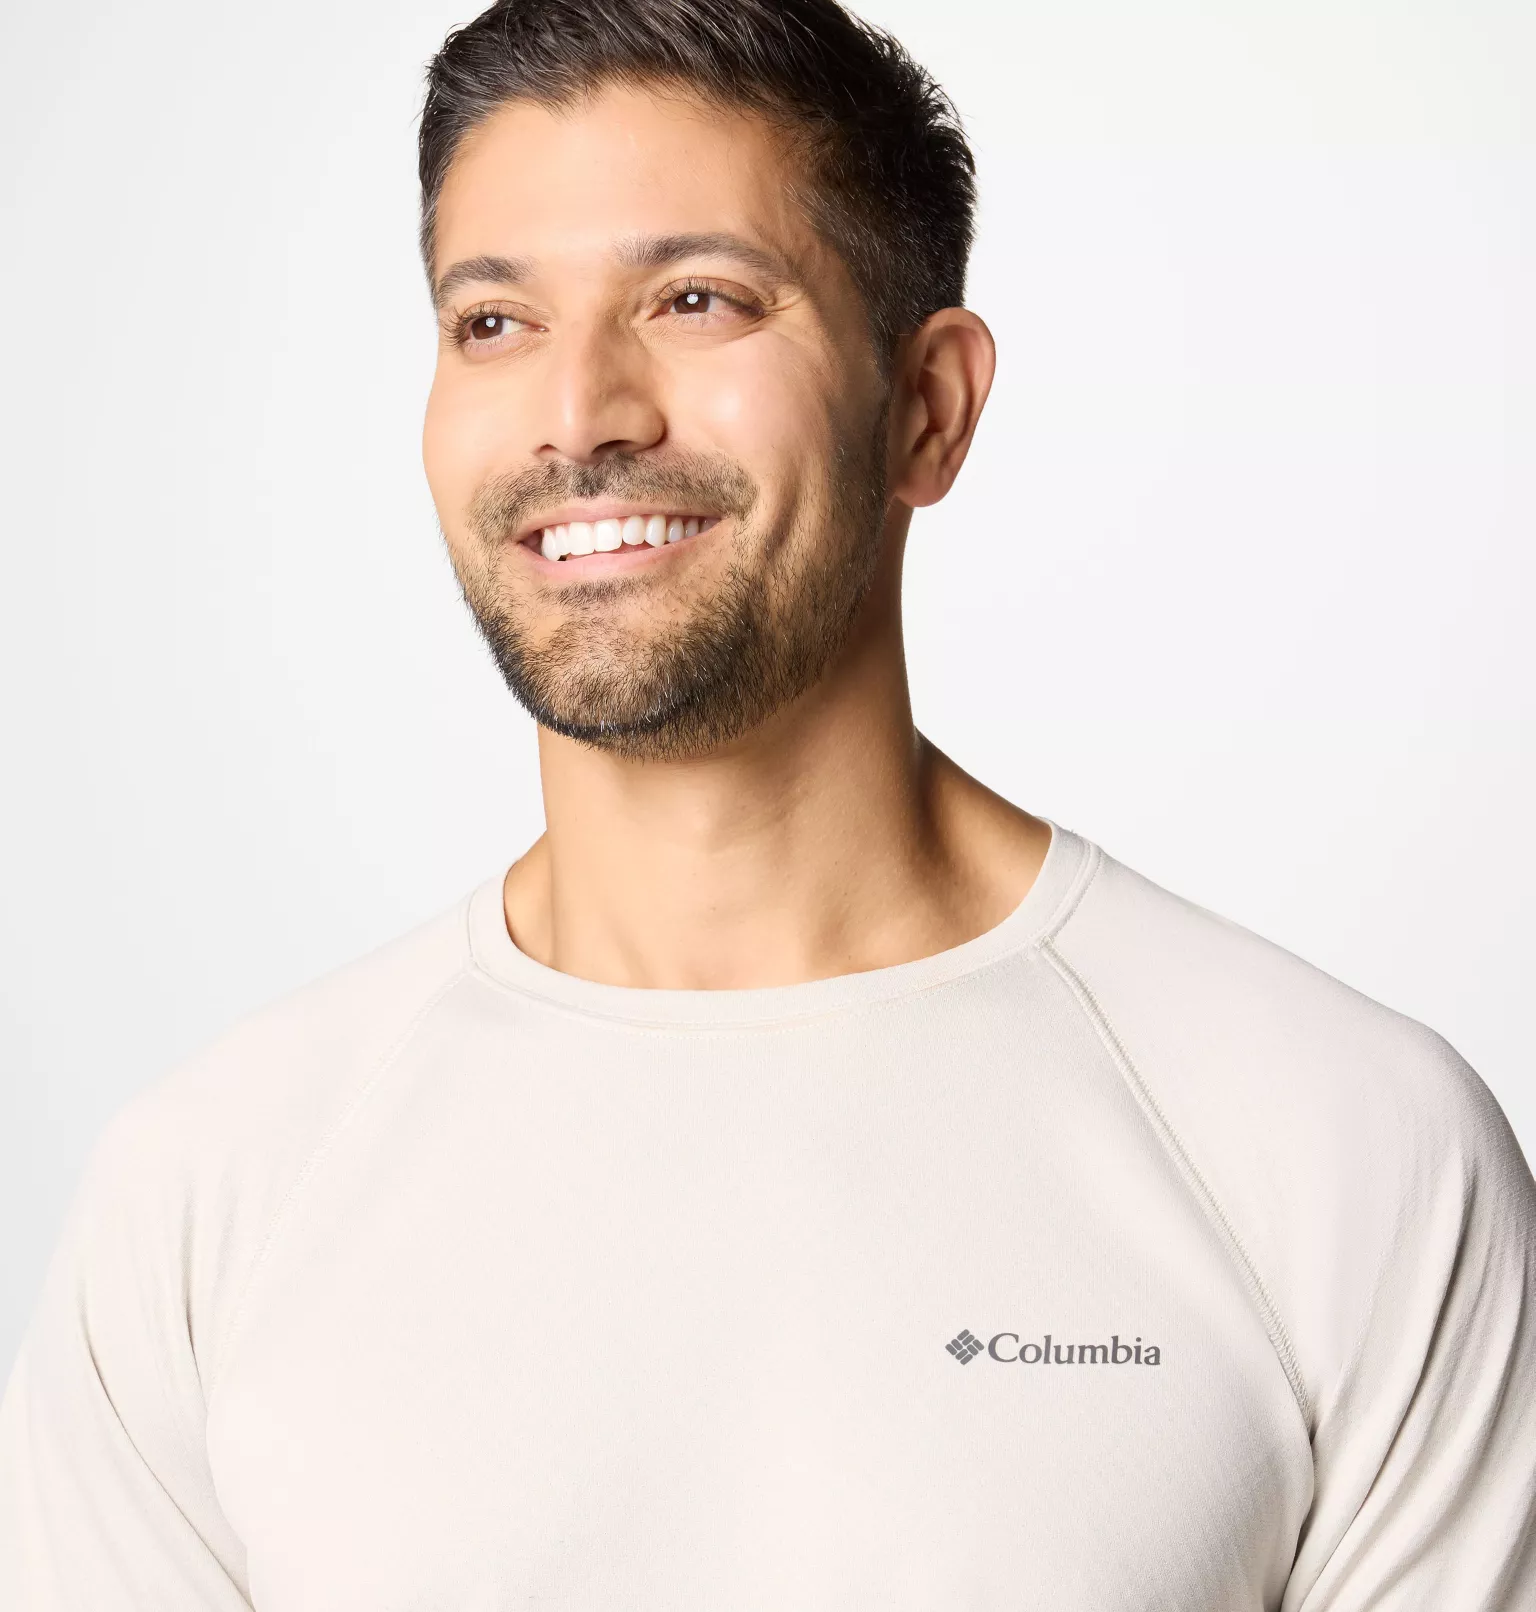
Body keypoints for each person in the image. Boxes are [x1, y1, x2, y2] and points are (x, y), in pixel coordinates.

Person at [2, 0, 1533, 1604]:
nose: (581, 411)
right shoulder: (212, 1192)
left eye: (697, 299)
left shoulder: (1341, 1151)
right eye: (494, 322)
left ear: (927, 407)